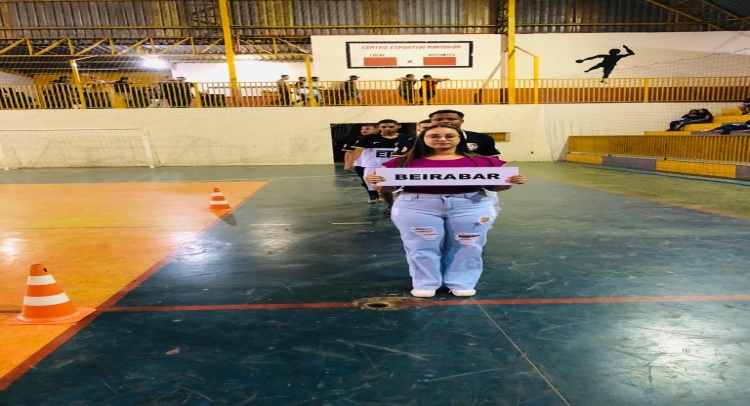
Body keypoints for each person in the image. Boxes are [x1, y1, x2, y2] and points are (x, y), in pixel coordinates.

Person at [364, 124, 527, 298]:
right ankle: (425, 283)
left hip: (470, 205)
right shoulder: (402, 162)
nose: (442, 139)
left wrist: (510, 181)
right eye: (434, 136)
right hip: (416, 206)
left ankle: (462, 282)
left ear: (459, 139)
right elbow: (387, 189)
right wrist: (377, 181)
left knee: (468, 245)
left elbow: (495, 186)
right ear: (423, 139)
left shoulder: (483, 161)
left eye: (449, 136)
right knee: (420, 246)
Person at [350, 119, 411, 214]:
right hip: (375, 167)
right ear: (378, 128)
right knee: (382, 188)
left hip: (399, 167)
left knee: (401, 188)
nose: (387, 129)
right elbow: (357, 151)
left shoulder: (408, 138)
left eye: (391, 126)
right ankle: (390, 204)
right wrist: (350, 163)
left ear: (399, 126)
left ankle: (400, 205)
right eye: (383, 127)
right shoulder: (369, 138)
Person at [343, 124, 381, 203]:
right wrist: (348, 163)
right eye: (362, 129)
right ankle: (373, 196)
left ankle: (384, 194)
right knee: (366, 181)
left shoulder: (383, 139)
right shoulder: (355, 140)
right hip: (360, 164)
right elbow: (349, 152)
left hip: (377, 164)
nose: (364, 130)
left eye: (367, 129)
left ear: (376, 129)